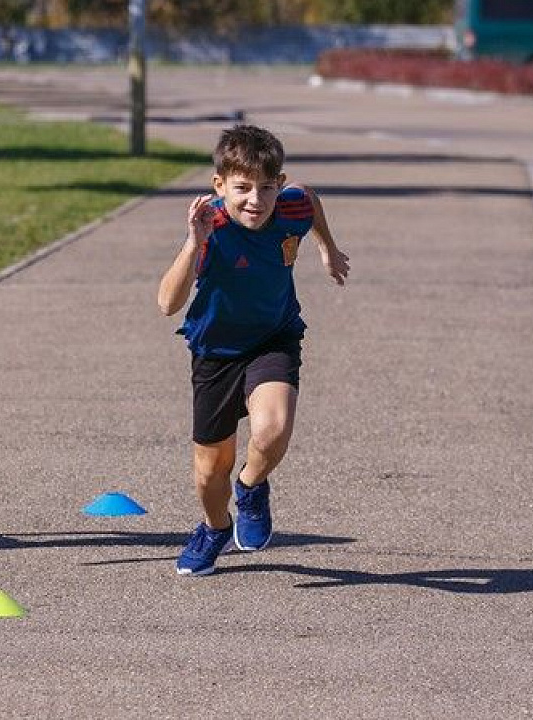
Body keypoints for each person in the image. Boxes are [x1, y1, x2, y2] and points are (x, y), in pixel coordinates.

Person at [157, 124, 350, 576]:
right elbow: (167, 303)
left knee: (273, 427)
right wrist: (193, 243)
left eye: (266, 188)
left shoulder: (292, 206)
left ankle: (251, 487)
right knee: (209, 473)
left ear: (279, 185)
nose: (255, 201)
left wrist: (327, 248)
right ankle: (215, 527)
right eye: (242, 188)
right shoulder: (213, 229)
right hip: (215, 351)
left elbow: (311, 200)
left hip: (273, 337)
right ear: (219, 186)